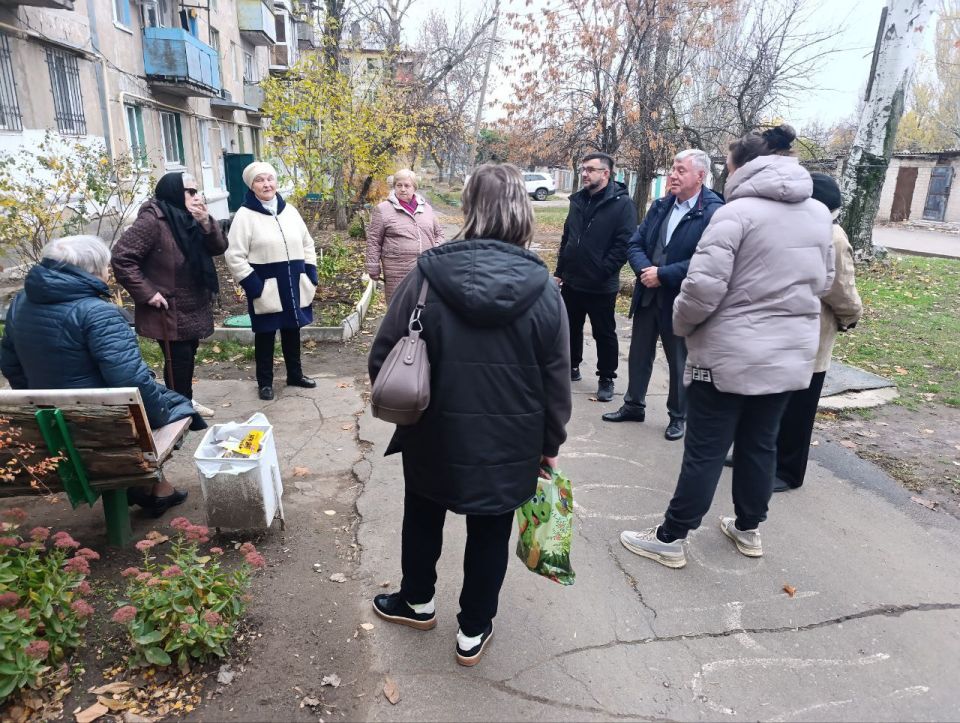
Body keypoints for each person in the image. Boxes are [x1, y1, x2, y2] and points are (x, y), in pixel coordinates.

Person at [368, 163, 571, 666]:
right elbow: (556, 380)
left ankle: (416, 602)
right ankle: (473, 631)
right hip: (512, 440)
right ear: (522, 210)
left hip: (432, 431)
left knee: (422, 514)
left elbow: (384, 356)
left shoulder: (426, 276)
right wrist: (550, 443)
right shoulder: (544, 289)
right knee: (490, 531)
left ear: (468, 208)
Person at [618, 124, 835, 568]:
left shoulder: (734, 214)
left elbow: (701, 289)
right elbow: (825, 281)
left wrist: (681, 324)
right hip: (788, 356)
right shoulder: (817, 214)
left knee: (705, 451)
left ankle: (671, 537)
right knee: (761, 444)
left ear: (738, 166)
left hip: (727, 358)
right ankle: (748, 528)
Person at [0, 235, 201, 517]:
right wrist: (161, 413)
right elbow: (131, 379)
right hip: (97, 425)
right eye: (107, 266)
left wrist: (36, 400)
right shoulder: (98, 313)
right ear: (93, 270)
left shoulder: (20, 303)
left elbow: (10, 363)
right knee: (176, 409)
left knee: (135, 411)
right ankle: (147, 485)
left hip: (45, 423)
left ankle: (157, 488)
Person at [602, 149, 724, 440]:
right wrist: (647, 270)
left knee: (679, 359)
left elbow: (707, 259)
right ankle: (634, 404)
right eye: (673, 168)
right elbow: (635, 243)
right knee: (639, 353)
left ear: (700, 176)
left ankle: (678, 415)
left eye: (681, 170)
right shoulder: (661, 205)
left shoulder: (714, 212)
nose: (673, 175)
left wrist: (664, 275)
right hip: (648, 294)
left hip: (681, 299)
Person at [112, 171, 228, 418]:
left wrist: (207, 223)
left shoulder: (191, 217)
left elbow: (218, 247)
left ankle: (183, 402)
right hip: (168, 306)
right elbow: (122, 258)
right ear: (174, 191)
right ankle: (180, 409)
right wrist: (148, 292)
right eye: (190, 191)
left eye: (197, 191)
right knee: (179, 360)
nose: (196, 197)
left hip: (194, 301)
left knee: (188, 354)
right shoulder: (153, 220)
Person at [773, 173, 862, 491]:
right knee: (772, 401)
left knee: (798, 408)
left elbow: (843, 292)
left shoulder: (833, 238)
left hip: (811, 337)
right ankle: (759, 455)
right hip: (782, 333)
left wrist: (851, 317)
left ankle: (787, 471)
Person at [225, 162, 318, 401]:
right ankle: (265, 382)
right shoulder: (245, 215)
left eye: (270, 179)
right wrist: (254, 285)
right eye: (259, 180)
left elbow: (308, 243)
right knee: (265, 335)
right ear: (251, 185)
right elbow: (234, 255)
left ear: (276, 182)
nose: (266, 184)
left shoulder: (291, 211)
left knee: (292, 329)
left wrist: (310, 272)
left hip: (294, 281)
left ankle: (295, 374)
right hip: (267, 285)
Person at [554, 152, 637, 401]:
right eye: (583, 169)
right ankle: (572, 366)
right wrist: (560, 271)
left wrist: (602, 271)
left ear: (606, 173)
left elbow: (624, 245)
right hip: (572, 280)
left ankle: (606, 378)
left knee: (604, 332)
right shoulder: (578, 200)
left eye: (590, 169)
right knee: (571, 327)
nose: (584, 174)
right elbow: (568, 236)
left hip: (601, 283)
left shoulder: (622, 204)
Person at [365, 169, 445, 303]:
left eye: (407, 186)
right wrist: (373, 265)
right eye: (399, 185)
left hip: (426, 269)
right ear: (394, 187)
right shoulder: (383, 209)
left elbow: (440, 234)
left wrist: (434, 251)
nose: (403, 189)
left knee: (425, 309)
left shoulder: (426, 209)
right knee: (399, 309)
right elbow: (374, 240)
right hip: (397, 271)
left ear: (414, 187)